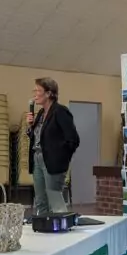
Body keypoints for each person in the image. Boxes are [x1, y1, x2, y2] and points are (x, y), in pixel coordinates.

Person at [27, 77, 80, 215]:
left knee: (54, 199)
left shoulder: (60, 111)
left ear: (49, 93)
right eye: (34, 90)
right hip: (37, 158)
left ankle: (60, 225)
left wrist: (60, 156)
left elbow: (73, 140)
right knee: (40, 200)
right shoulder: (40, 113)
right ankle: (43, 224)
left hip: (52, 160)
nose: (35, 94)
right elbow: (38, 137)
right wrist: (31, 127)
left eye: (38, 91)